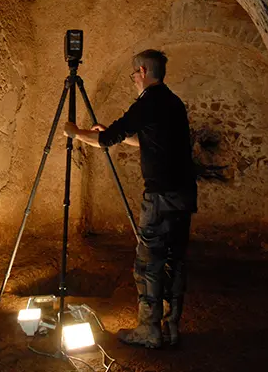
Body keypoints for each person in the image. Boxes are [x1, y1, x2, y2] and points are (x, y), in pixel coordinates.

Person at [63, 49, 197, 348]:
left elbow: (105, 141)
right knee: (174, 261)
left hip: (160, 196)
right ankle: (171, 326)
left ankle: (149, 330)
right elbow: (149, 140)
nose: (134, 80)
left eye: (134, 75)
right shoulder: (172, 102)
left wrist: (75, 132)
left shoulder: (148, 101)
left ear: (142, 71)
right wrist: (114, 133)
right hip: (183, 193)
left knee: (148, 263)